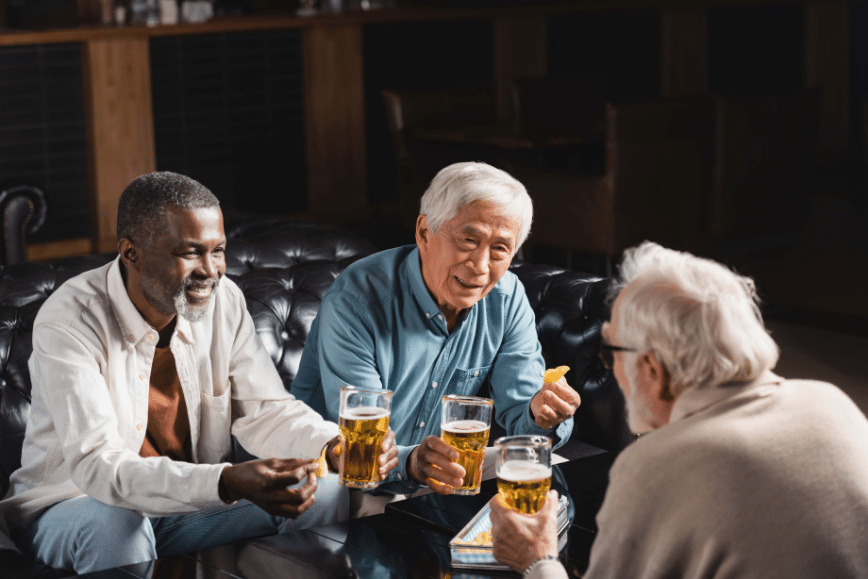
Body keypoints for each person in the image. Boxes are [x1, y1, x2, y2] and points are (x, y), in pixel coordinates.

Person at [0, 172, 398, 574]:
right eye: (191, 253)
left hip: (186, 506)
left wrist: (331, 446)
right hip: (74, 506)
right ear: (131, 253)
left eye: (218, 250)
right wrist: (226, 481)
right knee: (117, 525)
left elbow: (266, 409)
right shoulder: (70, 320)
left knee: (323, 486)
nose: (211, 270)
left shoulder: (224, 301)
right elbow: (99, 468)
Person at [490, 241, 868, 578]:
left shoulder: (657, 464)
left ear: (652, 369)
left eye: (611, 352)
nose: (611, 368)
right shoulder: (831, 400)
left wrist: (536, 560)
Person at [292, 162, 581, 498]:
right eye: (468, 240)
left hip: (429, 486)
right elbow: (362, 448)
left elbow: (522, 422)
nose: (481, 266)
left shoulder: (506, 298)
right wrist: (413, 463)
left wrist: (541, 415)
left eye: (500, 248)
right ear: (424, 233)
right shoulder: (358, 300)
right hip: (328, 482)